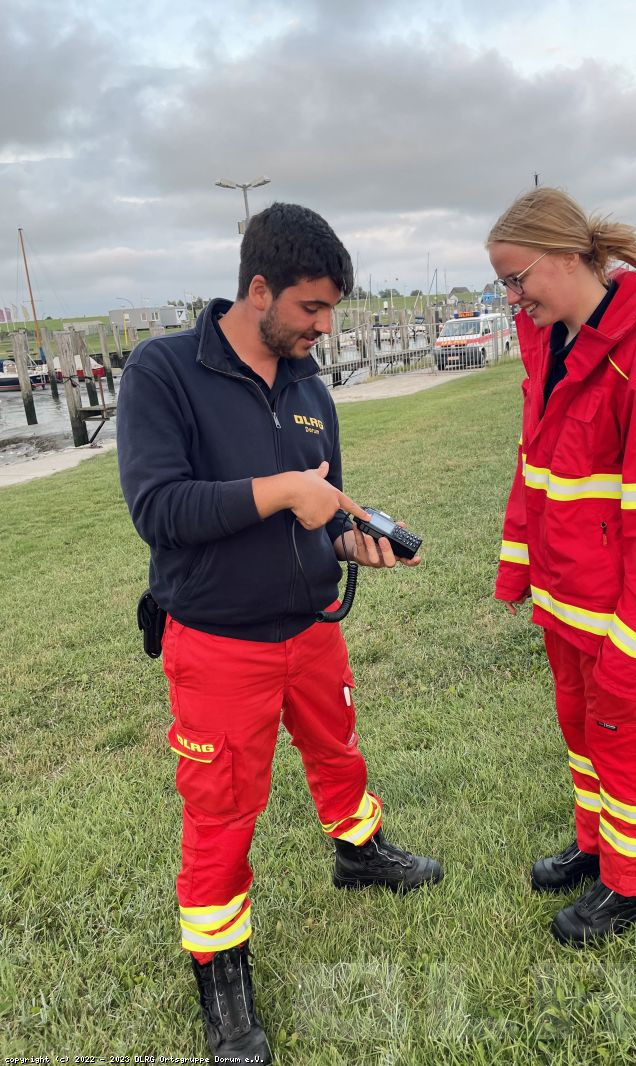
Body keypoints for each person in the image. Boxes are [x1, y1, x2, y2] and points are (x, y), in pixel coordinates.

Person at [117, 203, 443, 1063]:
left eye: (332, 311)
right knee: (221, 813)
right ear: (258, 289)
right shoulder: (163, 372)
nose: (324, 329)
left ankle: (361, 852)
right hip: (219, 644)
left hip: (312, 628)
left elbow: (319, 515)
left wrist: (350, 540)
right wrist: (277, 490)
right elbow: (158, 509)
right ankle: (224, 983)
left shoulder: (308, 388)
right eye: (311, 309)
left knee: (338, 750)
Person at [487, 187, 636, 947]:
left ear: (562, 256)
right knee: (582, 730)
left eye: (517, 279)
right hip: (567, 601)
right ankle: (595, 843)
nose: (513, 298)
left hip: (622, 619)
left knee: (623, 737)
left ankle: (633, 884)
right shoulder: (554, 348)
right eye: (504, 285)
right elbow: (537, 471)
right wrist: (519, 568)